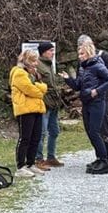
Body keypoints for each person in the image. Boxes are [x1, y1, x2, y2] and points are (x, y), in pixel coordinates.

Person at [60, 40, 108, 174]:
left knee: (95, 132)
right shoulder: (83, 67)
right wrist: (68, 79)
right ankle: (99, 158)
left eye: (82, 54)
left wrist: (97, 91)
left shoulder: (97, 65)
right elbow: (77, 86)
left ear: (89, 52)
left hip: (97, 103)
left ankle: (105, 161)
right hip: (86, 103)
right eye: (79, 54)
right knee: (90, 132)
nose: (79, 56)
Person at [77, 34, 108, 169]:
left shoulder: (103, 56)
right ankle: (100, 157)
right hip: (89, 100)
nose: (81, 50)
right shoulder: (83, 60)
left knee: (104, 129)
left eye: (84, 46)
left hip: (102, 98)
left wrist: (99, 93)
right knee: (92, 130)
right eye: (79, 47)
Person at [9, 49, 48, 179]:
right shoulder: (19, 73)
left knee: (35, 137)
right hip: (25, 109)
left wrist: (40, 87)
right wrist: (41, 88)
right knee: (25, 138)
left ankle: (30, 163)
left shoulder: (33, 74)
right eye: (34, 61)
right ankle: (20, 166)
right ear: (26, 61)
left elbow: (42, 87)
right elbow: (33, 90)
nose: (36, 63)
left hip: (36, 108)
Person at [34, 41, 65, 169]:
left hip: (53, 103)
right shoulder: (37, 65)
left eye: (53, 50)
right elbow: (36, 84)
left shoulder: (49, 64)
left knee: (54, 131)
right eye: (50, 51)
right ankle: (38, 159)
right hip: (44, 103)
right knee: (41, 132)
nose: (53, 53)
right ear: (43, 52)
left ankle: (51, 157)